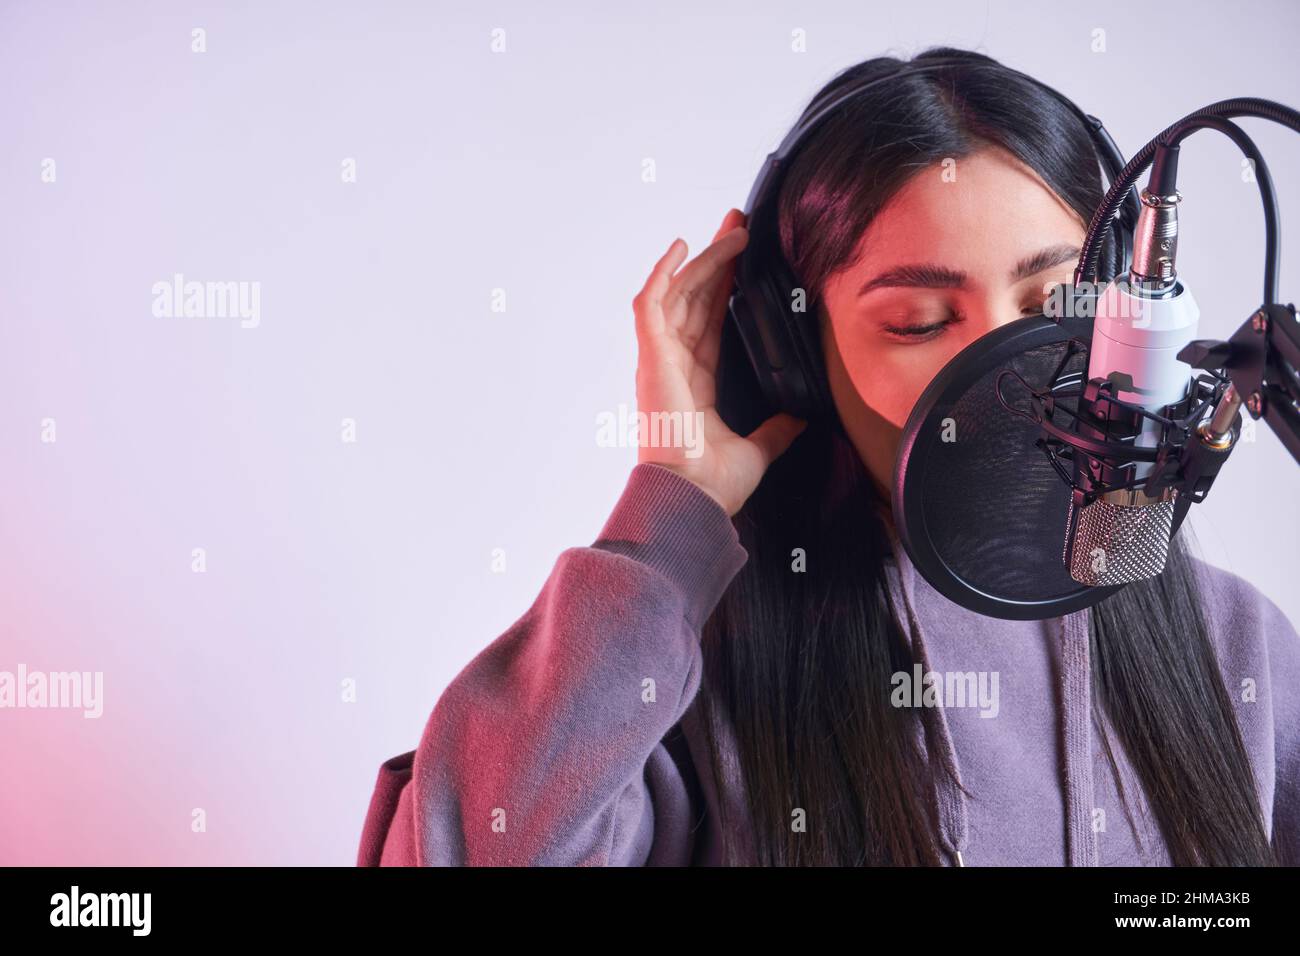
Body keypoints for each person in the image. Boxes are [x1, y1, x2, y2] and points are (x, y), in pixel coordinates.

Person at [358, 47, 1300, 866]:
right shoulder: (682, 677)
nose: (1003, 374)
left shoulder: (1237, 648)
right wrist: (669, 516)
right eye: (922, 321)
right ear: (797, 358)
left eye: (1055, 304)